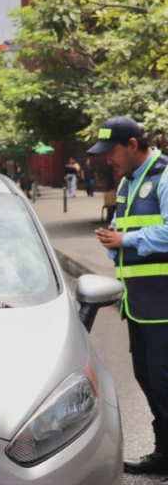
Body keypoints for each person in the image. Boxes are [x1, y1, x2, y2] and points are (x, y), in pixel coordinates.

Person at [91, 117, 168, 478]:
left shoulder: (165, 176)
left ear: (133, 145)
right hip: (138, 306)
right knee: (148, 380)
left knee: (166, 382)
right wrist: (112, 241)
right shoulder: (127, 184)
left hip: (164, 306)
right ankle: (163, 452)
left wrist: (128, 241)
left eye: (112, 152)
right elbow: (125, 232)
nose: (108, 160)